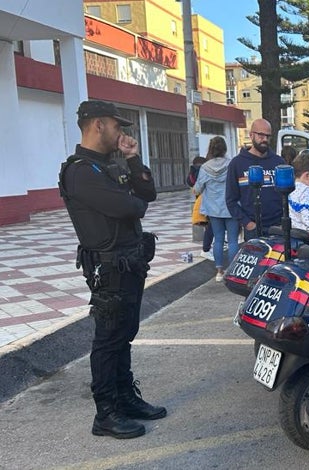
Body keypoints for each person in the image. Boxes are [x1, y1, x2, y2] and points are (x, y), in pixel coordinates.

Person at [58, 100, 165, 439]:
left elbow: (147, 193)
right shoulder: (80, 171)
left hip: (129, 264)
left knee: (124, 335)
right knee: (108, 340)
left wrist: (132, 158)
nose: (122, 133)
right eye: (117, 126)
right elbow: (130, 206)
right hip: (109, 269)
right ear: (98, 125)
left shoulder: (110, 167)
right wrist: (133, 202)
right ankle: (106, 413)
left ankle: (125, 399)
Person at [226, 119, 285, 240]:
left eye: (268, 136)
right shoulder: (237, 164)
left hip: (278, 227)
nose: (264, 139)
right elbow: (230, 200)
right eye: (261, 135)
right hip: (253, 227)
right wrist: (247, 223)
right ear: (251, 135)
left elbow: (287, 194)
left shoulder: (279, 162)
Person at [194, 136, 239, 282]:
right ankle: (233, 271)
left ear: (211, 150)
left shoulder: (205, 167)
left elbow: (197, 188)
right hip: (231, 207)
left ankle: (219, 271)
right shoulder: (232, 164)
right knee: (233, 240)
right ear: (225, 149)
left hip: (213, 209)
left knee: (218, 239)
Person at [187, 156, 214, 260]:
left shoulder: (193, 172)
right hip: (207, 202)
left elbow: (193, 186)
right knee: (211, 226)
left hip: (202, 202)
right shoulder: (201, 171)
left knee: (210, 226)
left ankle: (207, 248)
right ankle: (206, 249)